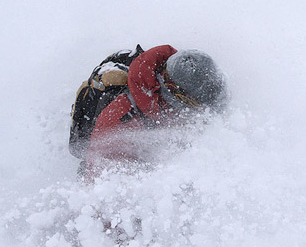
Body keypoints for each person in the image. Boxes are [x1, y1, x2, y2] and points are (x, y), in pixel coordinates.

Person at [69, 44, 227, 178]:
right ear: (174, 96)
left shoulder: (190, 79)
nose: (202, 114)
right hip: (106, 157)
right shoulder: (119, 122)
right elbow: (99, 190)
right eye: (195, 106)